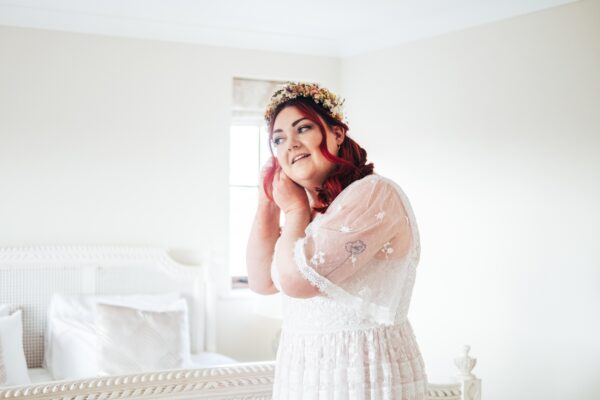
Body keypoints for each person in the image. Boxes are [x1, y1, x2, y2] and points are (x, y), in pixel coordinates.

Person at [246, 82, 428, 399]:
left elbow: (297, 283)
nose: (289, 144)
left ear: (337, 134)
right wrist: (268, 198)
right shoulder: (305, 210)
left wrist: (293, 209)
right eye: (278, 139)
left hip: (361, 371)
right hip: (304, 371)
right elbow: (261, 281)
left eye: (303, 128)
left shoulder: (373, 195)